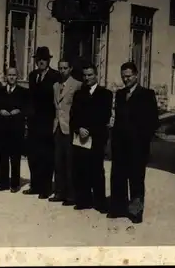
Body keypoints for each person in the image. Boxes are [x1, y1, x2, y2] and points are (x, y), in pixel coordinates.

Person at [109, 61, 159, 224]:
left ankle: (136, 212)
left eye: (129, 76)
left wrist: (142, 140)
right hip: (120, 145)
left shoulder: (147, 94)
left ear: (136, 75)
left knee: (136, 179)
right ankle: (119, 208)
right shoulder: (120, 94)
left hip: (137, 146)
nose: (126, 79)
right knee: (119, 177)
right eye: (123, 77)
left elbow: (153, 121)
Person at [69, 62, 112, 212]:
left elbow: (104, 116)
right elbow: (73, 115)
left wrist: (89, 130)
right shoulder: (79, 94)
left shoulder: (105, 94)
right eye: (85, 75)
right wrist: (78, 128)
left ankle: (100, 202)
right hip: (80, 137)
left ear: (96, 75)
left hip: (96, 137)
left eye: (90, 75)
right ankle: (83, 200)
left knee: (96, 169)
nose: (87, 78)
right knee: (80, 168)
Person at [25, 46, 60, 199]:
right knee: (33, 155)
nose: (41, 62)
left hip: (48, 121)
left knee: (46, 155)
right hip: (33, 122)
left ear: (49, 61)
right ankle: (35, 185)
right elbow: (30, 99)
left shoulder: (55, 76)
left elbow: (57, 101)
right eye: (38, 60)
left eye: (44, 60)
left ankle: (45, 188)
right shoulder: (32, 76)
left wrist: (55, 121)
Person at [49, 59, 81, 206]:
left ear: (71, 69)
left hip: (69, 128)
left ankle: (71, 194)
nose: (62, 71)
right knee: (58, 161)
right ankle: (59, 192)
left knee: (70, 162)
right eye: (60, 68)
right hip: (57, 128)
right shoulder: (55, 86)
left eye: (65, 68)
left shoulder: (77, 85)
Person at [0, 67, 29, 193]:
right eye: (9, 75)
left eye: (14, 75)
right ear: (5, 77)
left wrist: (19, 111)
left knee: (15, 157)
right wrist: (0, 111)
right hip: (2, 129)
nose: (12, 77)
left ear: (18, 77)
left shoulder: (24, 92)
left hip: (16, 129)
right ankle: (3, 183)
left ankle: (14, 184)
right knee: (2, 156)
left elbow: (27, 108)